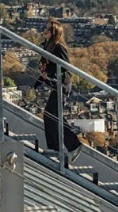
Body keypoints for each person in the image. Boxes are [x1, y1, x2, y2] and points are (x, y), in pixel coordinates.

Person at [35, 19, 83, 163]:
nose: (45, 31)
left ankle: (66, 146)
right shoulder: (48, 47)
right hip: (57, 84)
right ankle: (65, 146)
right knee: (53, 115)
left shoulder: (58, 47)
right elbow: (47, 69)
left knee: (52, 114)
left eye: (48, 29)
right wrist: (39, 81)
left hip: (62, 84)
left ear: (54, 33)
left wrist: (54, 77)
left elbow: (66, 69)